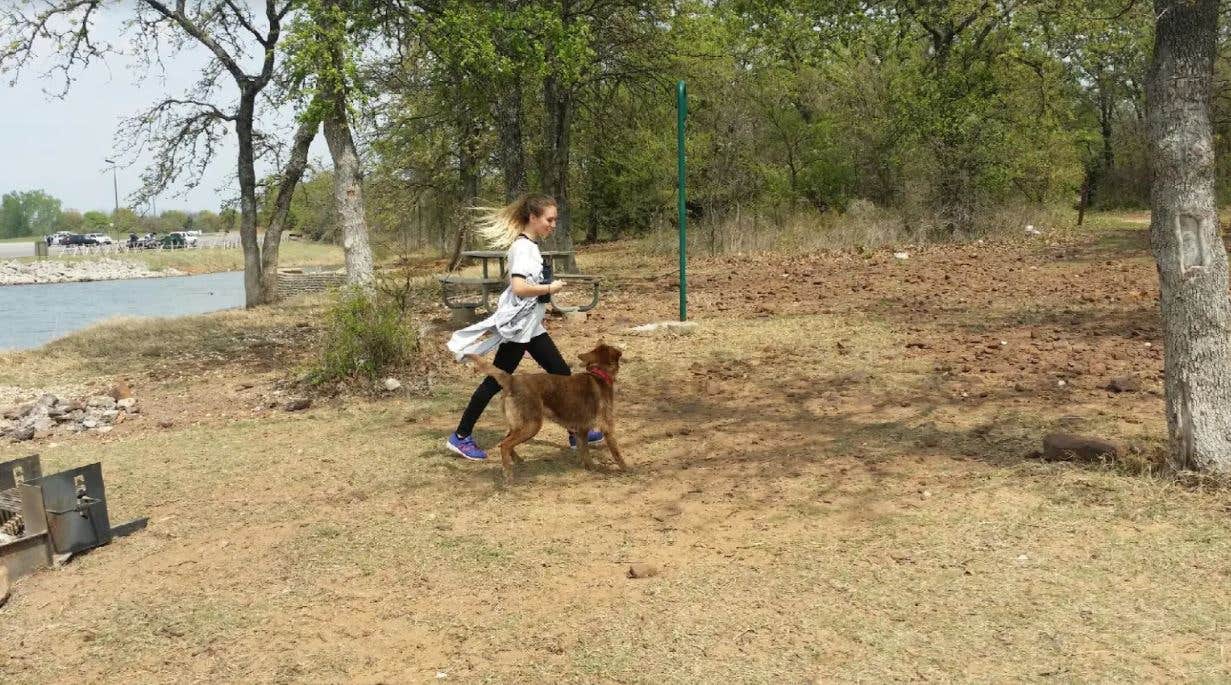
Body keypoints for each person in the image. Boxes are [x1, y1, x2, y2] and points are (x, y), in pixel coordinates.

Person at [444, 193, 603, 461]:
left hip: (531, 328)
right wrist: (549, 288)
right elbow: (519, 287)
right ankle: (460, 437)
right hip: (519, 331)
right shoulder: (522, 248)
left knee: (562, 375)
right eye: (549, 220)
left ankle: (576, 431)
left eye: (555, 220)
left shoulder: (531, 245)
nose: (553, 225)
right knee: (496, 381)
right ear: (533, 218)